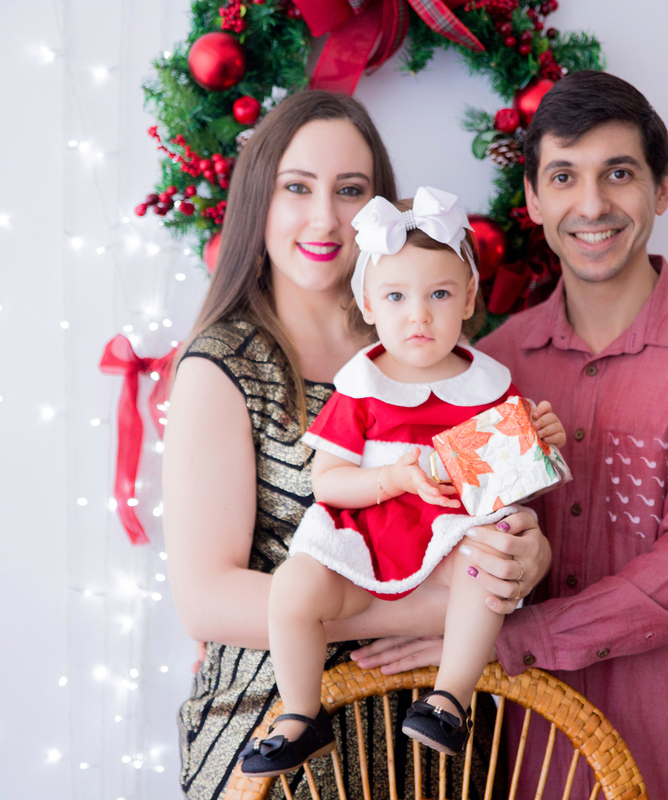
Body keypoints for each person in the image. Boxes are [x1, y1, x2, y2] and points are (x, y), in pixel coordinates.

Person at [354, 71, 668, 800]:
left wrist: (518, 639)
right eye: (563, 176)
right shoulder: (492, 366)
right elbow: (445, 524)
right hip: (541, 756)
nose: (591, 205)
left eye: (619, 173)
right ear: (532, 199)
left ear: (663, 188)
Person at [161, 92, 553, 800]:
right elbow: (207, 600)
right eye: (297, 188)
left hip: (434, 727)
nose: (325, 218)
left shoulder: (434, 349)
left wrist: (525, 558)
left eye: (351, 191)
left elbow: (497, 510)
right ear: (259, 202)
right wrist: (428, 606)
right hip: (278, 723)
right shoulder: (225, 365)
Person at [238, 187, 567, 776]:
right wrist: (392, 477)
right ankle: (300, 714)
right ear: (368, 302)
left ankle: (451, 697)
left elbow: (510, 489)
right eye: (397, 296)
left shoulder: (486, 386)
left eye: (439, 294)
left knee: (485, 563)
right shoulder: (362, 386)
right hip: (362, 553)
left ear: (469, 298)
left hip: (447, 553)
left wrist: (538, 442)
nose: (419, 315)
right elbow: (330, 483)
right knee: (291, 588)